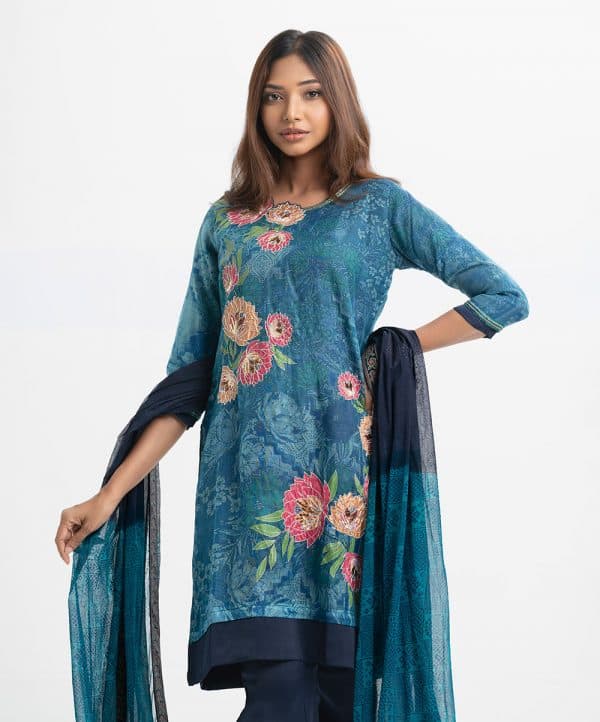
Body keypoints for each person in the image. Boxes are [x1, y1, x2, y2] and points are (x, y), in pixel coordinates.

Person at [55, 29, 529, 722]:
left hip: (344, 491)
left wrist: (395, 347)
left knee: (341, 703)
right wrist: (109, 494)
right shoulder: (228, 223)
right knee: (277, 697)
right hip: (246, 504)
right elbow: (189, 379)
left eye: (310, 94)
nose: (292, 113)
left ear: (338, 102)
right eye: (274, 97)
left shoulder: (378, 209)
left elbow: (504, 296)